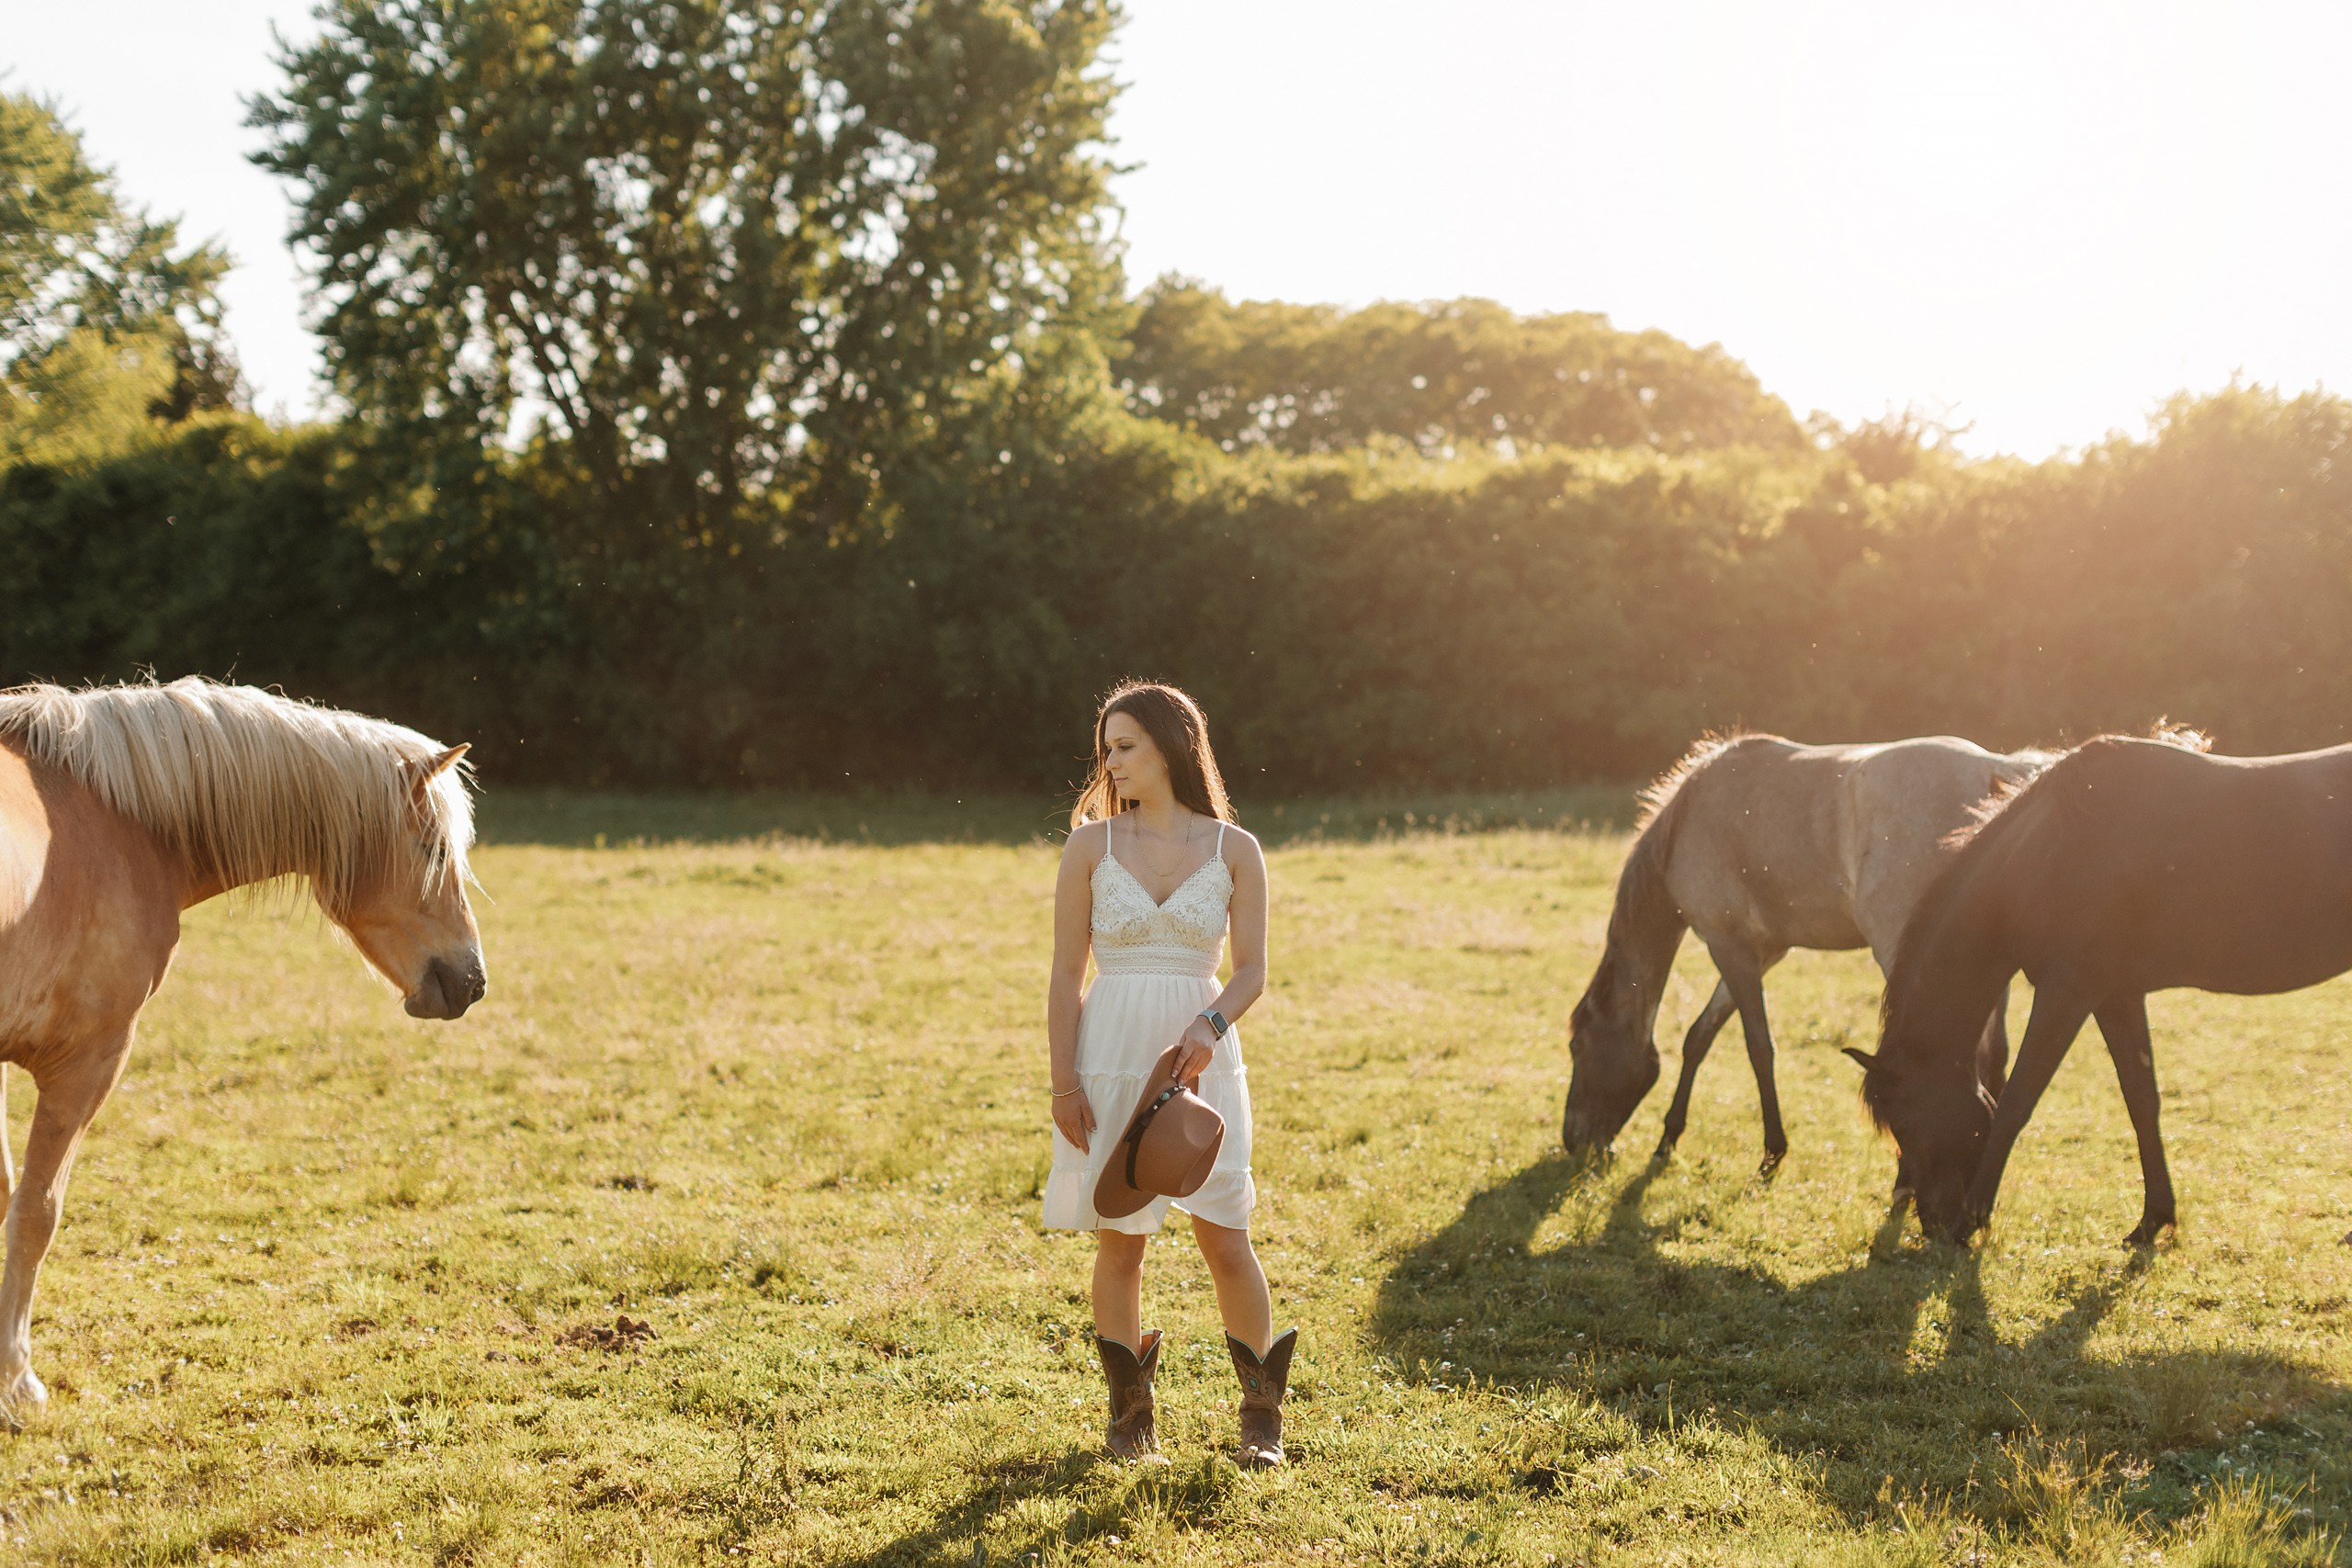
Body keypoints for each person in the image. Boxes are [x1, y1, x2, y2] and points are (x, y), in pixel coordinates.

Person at [1041, 681, 1297, 1466]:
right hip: (1110, 1056)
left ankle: (1261, 1418)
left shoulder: (1234, 849)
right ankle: (1131, 1421)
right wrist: (1062, 1082)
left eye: (1126, 746)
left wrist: (1210, 1022)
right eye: (1106, 748)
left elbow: (1252, 970)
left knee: (1226, 1236)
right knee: (1120, 1242)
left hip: (1201, 1061)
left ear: (1170, 747)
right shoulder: (1090, 847)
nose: (1111, 762)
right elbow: (1063, 977)